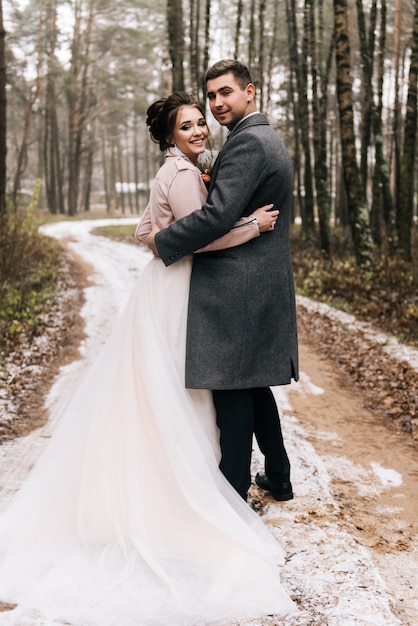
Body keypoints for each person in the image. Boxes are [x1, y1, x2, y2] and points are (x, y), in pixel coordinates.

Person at [0, 91, 295, 626]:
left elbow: (145, 232)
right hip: (182, 288)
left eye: (199, 123)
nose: (200, 131)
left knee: (185, 388)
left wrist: (161, 238)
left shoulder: (177, 171)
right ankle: (204, 492)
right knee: (190, 391)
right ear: (169, 138)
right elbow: (199, 237)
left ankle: (245, 477)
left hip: (165, 287)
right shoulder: (182, 175)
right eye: (187, 127)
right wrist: (253, 226)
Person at [146, 60, 299, 502]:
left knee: (232, 393)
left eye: (225, 93)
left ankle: (232, 493)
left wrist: (163, 241)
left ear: (249, 92)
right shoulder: (254, 139)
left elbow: (215, 216)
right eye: (211, 95)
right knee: (252, 385)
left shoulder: (249, 143)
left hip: (239, 285)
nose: (216, 104)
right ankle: (279, 476)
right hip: (253, 280)